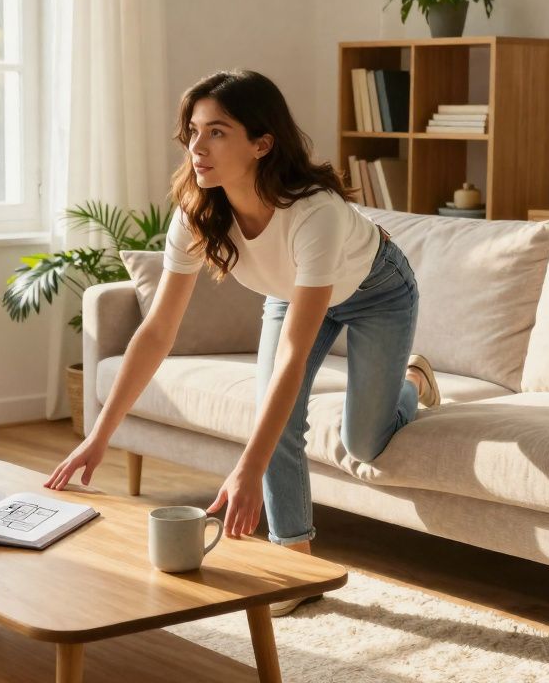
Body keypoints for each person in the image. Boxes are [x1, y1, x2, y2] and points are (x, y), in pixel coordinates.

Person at [44, 69, 438, 616]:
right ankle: (296, 564)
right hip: (290, 293)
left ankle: (410, 385)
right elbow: (157, 331)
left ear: (262, 143)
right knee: (272, 421)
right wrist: (98, 434)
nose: (196, 147)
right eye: (193, 131)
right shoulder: (198, 212)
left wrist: (247, 469)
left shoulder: (314, 212)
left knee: (366, 443)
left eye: (216, 132)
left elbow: (293, 360)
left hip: (376, 290)